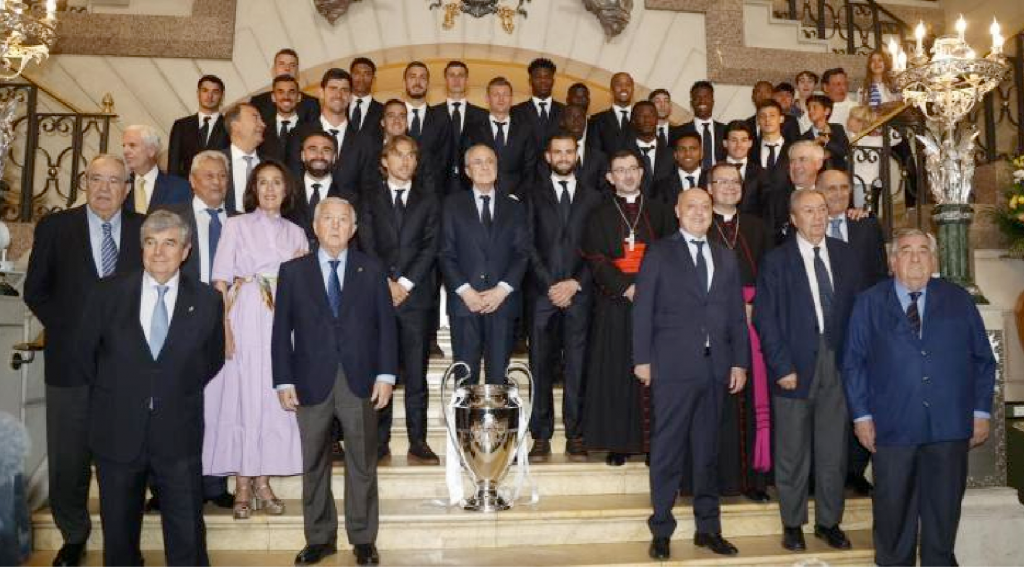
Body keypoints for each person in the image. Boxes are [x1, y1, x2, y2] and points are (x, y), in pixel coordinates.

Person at [76, 209, 225, 567]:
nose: (159, 252)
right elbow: (85, 355)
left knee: (187, 531)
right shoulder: (107, 293)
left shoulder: (207, 301)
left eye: (170, 243)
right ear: (141, 247)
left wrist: (170, 389)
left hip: (178, 431)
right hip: (117, 430)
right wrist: (127, 390)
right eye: (151, 242)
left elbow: (211, 359)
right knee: (119, 536)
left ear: (186, 250)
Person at [843, 228, 996, 567]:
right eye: (907, 251)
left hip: (949, 429)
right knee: (893, 516)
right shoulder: (869, 302)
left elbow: (983, 361)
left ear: (934, 260)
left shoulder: (958, 300)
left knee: (942, 521)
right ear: (892, 261)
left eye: (923, 251)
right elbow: (853, 364)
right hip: (892, 429)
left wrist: (981, 412)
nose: (915, 258)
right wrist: (862, 417)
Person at [24, 154, 143, 567]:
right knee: (68, 457)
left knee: (125, 457)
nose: (104, 188)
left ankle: (123, 542)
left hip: (127, 370)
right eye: (96, 179)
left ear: (128, 189)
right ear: (84, 182)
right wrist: (74, 332)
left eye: (114, 181)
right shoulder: (56, 228)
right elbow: (36, 291)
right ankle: (73, 536)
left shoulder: (146, 230)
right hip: (69, 366)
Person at [272, 197, 397, 566]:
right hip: (310, 380)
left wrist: (386, 375)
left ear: (354, 229)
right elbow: (281, 333)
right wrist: (283, 380)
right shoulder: (293, 272)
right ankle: (320, 538)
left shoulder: (371, 269)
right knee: (313, 463)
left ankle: (362, 539)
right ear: (315, 226)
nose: (336, 225)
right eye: (329, 219)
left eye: (344, 220)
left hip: (360, 380)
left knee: (362, 462)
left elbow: (386, 327)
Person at [635, 188, 749, 559]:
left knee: (708, 452)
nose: (699, 212)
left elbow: (736, 315)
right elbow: (644, 309)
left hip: (716, 368)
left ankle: (708, 528)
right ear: (678, 211)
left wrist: (739, 362)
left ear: (712, 213)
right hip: (673, 367)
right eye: (692, 206)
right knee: (668, 451)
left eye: (705, 207)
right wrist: (642, 359)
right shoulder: (660, 252)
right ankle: (662, 529)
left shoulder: (725, 257)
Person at [754, 188, 862, 552]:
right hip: (794, 367)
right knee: (792, 452)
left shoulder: (847, 256)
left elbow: (861, 314)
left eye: (821, 209)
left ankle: (829, 522)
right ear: (794, 219)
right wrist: (781, 365)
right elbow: (765, 320)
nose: (818, 216)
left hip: (839, 365)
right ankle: (793, 523)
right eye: (808, 211)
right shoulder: (776, 261)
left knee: (834, 451)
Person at [202, 160, 309, 520]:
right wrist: (225, 330)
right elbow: (220, 281)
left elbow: (304, 288)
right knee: (242, 398)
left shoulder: (296, 233)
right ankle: (242, 485)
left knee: (270, 397)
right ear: (253, 189)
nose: (269, 189)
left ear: (286, 189)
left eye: (276, 182)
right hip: (245, 314)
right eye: (262, 182)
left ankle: (263, 480)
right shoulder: (235, 225)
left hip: (281, 321)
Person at [581, 150, 677, 466]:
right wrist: (626, 286)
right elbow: (595, 258)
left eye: (632, 169)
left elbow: (671, 251)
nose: (627, 175)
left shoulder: (661, 212)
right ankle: (618, 443)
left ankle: (653, 444)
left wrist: (648, 288)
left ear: (642, 172)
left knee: (656, 374)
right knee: (617, 373)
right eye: (620, 170)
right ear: (610, 177)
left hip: (657, 304)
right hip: (616, 304)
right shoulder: (598, 214)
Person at [157, 150, 238, 512]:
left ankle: (215, 482)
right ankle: (165, 486)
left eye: (222, 176)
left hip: (228, 324)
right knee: (174, 407)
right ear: (192, 181)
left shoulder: (239, 221)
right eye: (209, 176)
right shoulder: (171, 219)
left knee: (219, 405)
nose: (217, 182)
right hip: (179, 323)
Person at [357, 135, 441, 464]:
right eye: (398, 155)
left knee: (417, 373)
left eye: (411, 156)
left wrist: (404, 283)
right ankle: (379, 442)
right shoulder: (368, 198)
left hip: (416, 298)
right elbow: (365, 243)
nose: (405, 162)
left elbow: (430, 246)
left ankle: (417, 441)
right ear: (385, 160)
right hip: (378, 298)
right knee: (381, 370)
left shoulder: (429, 199)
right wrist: (386, 284)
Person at [525, 135, 602, 463]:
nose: (563, 156)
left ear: (577, 155)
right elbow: (526, 244)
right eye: (557, 151)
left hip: (580, 294)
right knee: (540, 365)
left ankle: (577, 433)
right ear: (547, 155)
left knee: (578, 366)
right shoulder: (531, 195)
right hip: (542, 295)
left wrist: (575, 283)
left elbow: (599, 249)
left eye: (569, 151)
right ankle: (540, 435)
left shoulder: (596, 197)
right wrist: (551, 285)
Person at [704, 162, 773, 503]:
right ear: (710, 187)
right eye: (722, 182)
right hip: (711, 327)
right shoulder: (700, 224)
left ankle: (753, 482)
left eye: (735, 181)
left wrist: (754, 305)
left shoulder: (758, 228)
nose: (730, 187)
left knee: (749, 402)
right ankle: (716, 480)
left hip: (752, 323)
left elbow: (771, 277)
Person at [817, 168, 887, 495]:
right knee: (826, 403)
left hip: (863, 329)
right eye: (831, 188)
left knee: (861, 397)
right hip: (823, 329)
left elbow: (880, 276)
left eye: (844, 188)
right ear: (817, 191)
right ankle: (824, 470)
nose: (839, 194)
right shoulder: (806, 227)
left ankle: (855, 471)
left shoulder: (866, 225)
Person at [439, 144, 529, 383]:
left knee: (499, 378)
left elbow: (522, 254)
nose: (484, 166)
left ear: (497, 169)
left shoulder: (515, 207)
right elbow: (445, 253)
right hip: (464, 304)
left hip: (503, 303)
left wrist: (502, 290)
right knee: (465, 379)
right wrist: (466, 291)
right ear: (467, 171)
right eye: (477, 162)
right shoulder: (451, 205)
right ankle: (463, 422)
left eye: (490, 161)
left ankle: (495, 422)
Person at [463, 76, 538, 199]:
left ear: (511, 99)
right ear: (487, 99)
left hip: (518, 200)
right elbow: (466, 166)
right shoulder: (472, 129)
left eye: (505, 94)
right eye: (496, 94)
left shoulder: (525, 130)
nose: (501, 99)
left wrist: (516, 195)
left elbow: (530, 169)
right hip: (481, 198)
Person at [286, 68, 356, 188]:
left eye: (344, 90)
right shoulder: (298, 134)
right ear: (321, 93)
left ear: (350, 97)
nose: (339, 95)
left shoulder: (363, 140)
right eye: (333, 89)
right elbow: (293, 180)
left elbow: (367, 187)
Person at [288, 130, 359, 246]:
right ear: (302, 155)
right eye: (312, 149)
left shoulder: (350, 197)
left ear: (334, 157)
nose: (319, 155)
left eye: (326, 150)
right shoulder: (286, 192)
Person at [436, 60, 488, 196]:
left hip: (473, 184)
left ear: (466, 80)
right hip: (439, 186)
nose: (456, 79)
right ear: (445, 79)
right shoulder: (432, 114)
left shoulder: (483, 115)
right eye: (451, 75)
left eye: (461, 75)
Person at [403, 61, 452, 197]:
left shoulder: (442, 119)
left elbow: (446, 162)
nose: (417, 81)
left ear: (428, 83)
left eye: (422, 77)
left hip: (433, 195)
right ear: (404, 82)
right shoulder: (393, 117)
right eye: (412, 76)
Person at [168, 75, 229, 178]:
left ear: (222, 96)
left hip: (218, 188)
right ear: (198, 93)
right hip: (186, 189)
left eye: (215, 92)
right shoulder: (181, 126)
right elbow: (173, 165)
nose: (209, 96)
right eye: (205, 90)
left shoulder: (229, 126)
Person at [122, 124, 191, 214]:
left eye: (132, 145)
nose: (125, 151)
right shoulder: (120, 185)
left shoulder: (179, 188)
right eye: (123, 146)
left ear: (151, 150)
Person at [250, 48, 320, 124]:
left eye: (292, 65)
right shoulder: (257, 102)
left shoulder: (311, 104)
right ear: (273, 71)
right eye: (282, 64)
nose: (287, 69)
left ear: (297, 73)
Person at [511, 57, 564, 151]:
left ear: (553, 81)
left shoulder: (565, 111)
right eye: (538, 77)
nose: (543, 81)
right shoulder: (516, 112)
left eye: (547, 77)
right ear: (530, 81)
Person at [621, 101, 673, 198]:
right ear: (633, 121)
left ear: (657, 119)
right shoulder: (622, 154)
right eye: (641, 116)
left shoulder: (671, 154)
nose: (647, 119)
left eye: (651, 115)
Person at [222, 102, 267, 213]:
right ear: (235, 126)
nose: (263, 124)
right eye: (255, 118)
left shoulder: (270, 165)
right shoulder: (216, 162)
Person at [723, 120, 770, 218]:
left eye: (743, 140)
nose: (739, 145)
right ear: (725, 143)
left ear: (750, 143)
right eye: (734, 140)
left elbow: (767, 210)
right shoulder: (713, 172)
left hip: (752, 230)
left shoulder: (762, 174)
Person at [258, 74, 309, 162]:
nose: (286, 97)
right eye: (281, 92)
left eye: (291, 92)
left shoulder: (310, 129)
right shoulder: (261, 129)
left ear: (299, 97)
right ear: (273, 97)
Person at [677, 81, 726, 169]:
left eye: (706, 97)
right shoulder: (679, 132)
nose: (702, 101)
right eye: (697, 98)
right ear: (691, 103)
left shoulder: (725, 130)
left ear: (713, 101)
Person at [588, 72, 635, 155]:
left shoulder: (642, 119)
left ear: (633, 89)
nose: (624, 88)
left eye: (628, 85)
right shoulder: (597, 120)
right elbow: (595, 154)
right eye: (619, 85)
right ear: (611, 90)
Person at [654, 131, 705, 204]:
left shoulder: (712, 180)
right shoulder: (662, 186)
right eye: (682, 149)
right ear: (675, 155)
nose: (687, 154)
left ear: (701, 153)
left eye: (693, 149)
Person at [801, 94, 850, 170]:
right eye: (809, 108)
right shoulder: (805, 136)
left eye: (814, 107)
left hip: (837, 175)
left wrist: (825, 141)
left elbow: (845, 151)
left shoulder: (837, 129)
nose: (810, 111)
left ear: (826, 111)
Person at [349, 57, 384, 138]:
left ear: (373, 80)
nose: (361, 78)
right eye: (357, 73)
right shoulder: (339, 106)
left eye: (367, 74)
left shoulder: (383, 110)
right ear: (350, 77)